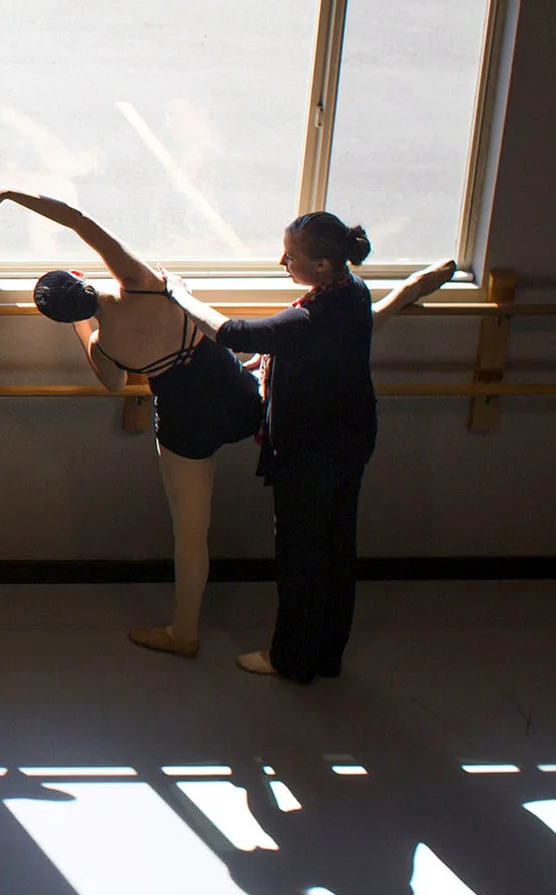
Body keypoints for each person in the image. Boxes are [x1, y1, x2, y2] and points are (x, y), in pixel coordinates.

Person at [0, 189, 454, 662]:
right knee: (338, 336)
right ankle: (406, 292)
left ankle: (184, 631)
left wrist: (82, 326)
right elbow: (78, 219)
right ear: (83, 275)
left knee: (191, 534)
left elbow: (112, 384)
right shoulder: (142, 281)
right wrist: (13, 194)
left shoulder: (106, 344)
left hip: (184, 425)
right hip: (236, 395)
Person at [161, 211, 452, 682]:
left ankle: (291, 659)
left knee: (300, 557)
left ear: (321, 265)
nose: (282, 261)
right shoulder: (351, 292)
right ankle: (326, 654)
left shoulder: (312, 317)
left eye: (291, 256)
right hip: (353, 437)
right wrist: (420, 284)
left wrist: (177, 292)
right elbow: (341, 336)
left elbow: (232, 333)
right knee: (337, 550)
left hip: (312, 450)